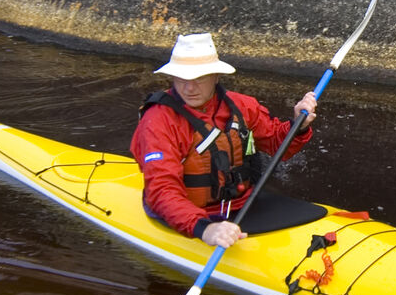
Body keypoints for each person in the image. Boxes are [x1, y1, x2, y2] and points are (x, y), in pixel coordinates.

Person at [131, 32, 317, 249]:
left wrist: (299, 125)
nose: (189, 89)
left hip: (243, 205)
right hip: (193, 216)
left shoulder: (242, 106)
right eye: (181, 79)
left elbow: (279, 146)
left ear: (216, 76)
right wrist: (204, 228)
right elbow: (162, 190)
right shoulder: (159, 121)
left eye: (199, 78)